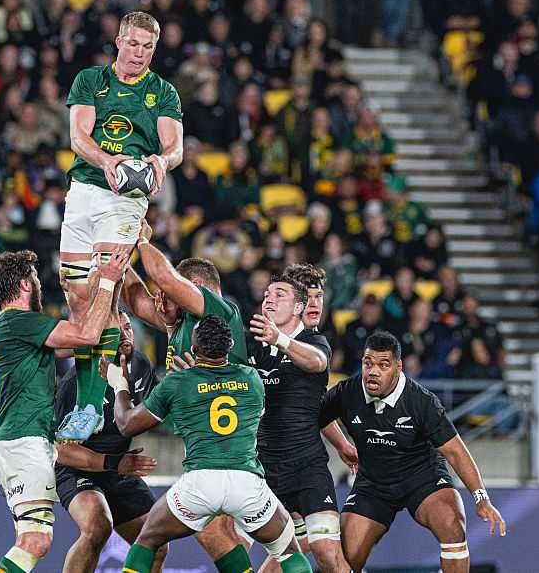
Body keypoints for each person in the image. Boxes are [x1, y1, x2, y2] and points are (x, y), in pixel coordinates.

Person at [57, 10, 184, 442]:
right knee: (76, 295)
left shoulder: (162, 92)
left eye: (148, 47)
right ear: (118, 41)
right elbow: (79, 138)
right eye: (133, 44)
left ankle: (91, 404)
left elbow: (174, 146)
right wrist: (108, 160)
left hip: (127, 199)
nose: (140, 53)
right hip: (84, 191)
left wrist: (159, 162)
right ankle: (95, 392)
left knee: (103, 283)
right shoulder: (90, 81)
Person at [107, 315, 313, 573]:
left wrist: (120, 384)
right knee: (288, 550)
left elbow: (126, 424)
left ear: (193, 349)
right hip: (246, 482)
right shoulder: (251, 379)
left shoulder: (178, 382)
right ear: (230, 346)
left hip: (199, 483)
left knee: (148, 540)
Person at [0, 249, 129, 573]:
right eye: (35, 279)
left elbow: (83, 343)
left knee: (35, 538)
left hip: (18, 439)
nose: (38, 285)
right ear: (24, 285)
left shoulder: (8, 328)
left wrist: (79, 295)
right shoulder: (18, 321)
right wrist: (106, 281)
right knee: (35, 541)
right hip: (23, 439)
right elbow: (87, 335)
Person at [122, 220, 253, 571]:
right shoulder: (181, 325)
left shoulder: (220, 313)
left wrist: (139, 239)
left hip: (232, 447)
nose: (161, 299)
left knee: (180, 532)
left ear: (193, 288)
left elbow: (164, 278)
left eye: (171, 293)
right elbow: (138, 302)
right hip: (210, 447)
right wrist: (117, 260)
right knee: (222, 536)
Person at [318, 331, 507, 573]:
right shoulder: (347, 392)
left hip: (422, 479)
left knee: (452, 522)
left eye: (383, 365)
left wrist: (482, 499)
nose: (373, 371)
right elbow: (315, 418)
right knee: (345, 556)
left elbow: (456, 453)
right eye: (368, 363)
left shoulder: (421, 401)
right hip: (373, 484)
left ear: (398, 367)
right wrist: (342, 444)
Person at [247, 264, 357, 573]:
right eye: (310, 297)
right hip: (263, 467)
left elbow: (318, 368)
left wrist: (341, 444)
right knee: (275, 549)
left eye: (320, 296)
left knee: (322, 549)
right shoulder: (253, 342)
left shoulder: (314, 342)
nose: (316, 304)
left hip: (306, 467)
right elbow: (316, 409)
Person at [54, 311, 167, 573]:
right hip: (78, 469)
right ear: (101, 340)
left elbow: (156, 410)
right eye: (117, 332)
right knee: (97, 527)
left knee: (156, 544)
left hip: (117, 468)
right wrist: (116, 463)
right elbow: (63, 452)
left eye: (128, 327)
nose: (126, 335)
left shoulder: (139, 364)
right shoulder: (77, 384)